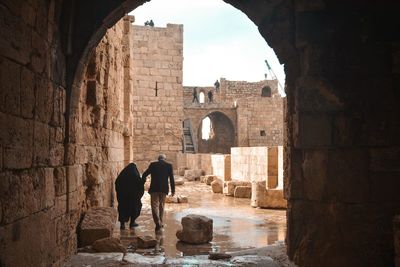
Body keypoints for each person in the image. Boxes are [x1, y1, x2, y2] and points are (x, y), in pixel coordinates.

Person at [142, 154, 175, 232]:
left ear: (158, 159)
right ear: (164, 159)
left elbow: (144, 174)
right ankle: (161, 221)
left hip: (154, 188)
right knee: (162, 206)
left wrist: (142, 182)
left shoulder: (153, 165)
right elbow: (172, 179)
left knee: (154, 206)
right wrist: (173, 190)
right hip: (164, 189)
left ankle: (157, 223)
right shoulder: (169, 165)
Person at [115, 163, 144, 230]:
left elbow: (117, 183)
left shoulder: (122, 176)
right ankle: (132, 223)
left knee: (122, 209)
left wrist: (120, 193)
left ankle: (122, 224)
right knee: (135, 208)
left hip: (123, 197)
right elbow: (140, 186)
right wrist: (138, 195)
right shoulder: (136, 176)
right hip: (133, 198)